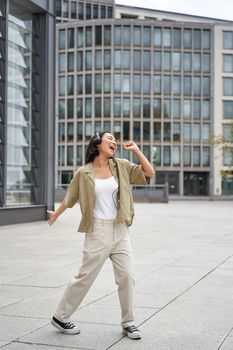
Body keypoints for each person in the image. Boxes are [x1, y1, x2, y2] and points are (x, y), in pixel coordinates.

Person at [47, 132, 154, 339]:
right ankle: (60, 317)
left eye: (115, 140)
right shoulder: (84, 172)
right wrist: (55, 215)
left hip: (121, 229)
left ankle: (128, 322)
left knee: (126, 276)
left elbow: (148, 172)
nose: (114, 142)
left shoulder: (121, 165)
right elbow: (70, 198)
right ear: (97, 145)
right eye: (110, 139)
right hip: (97, 230)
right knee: (85, 277)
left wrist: (136, 151)